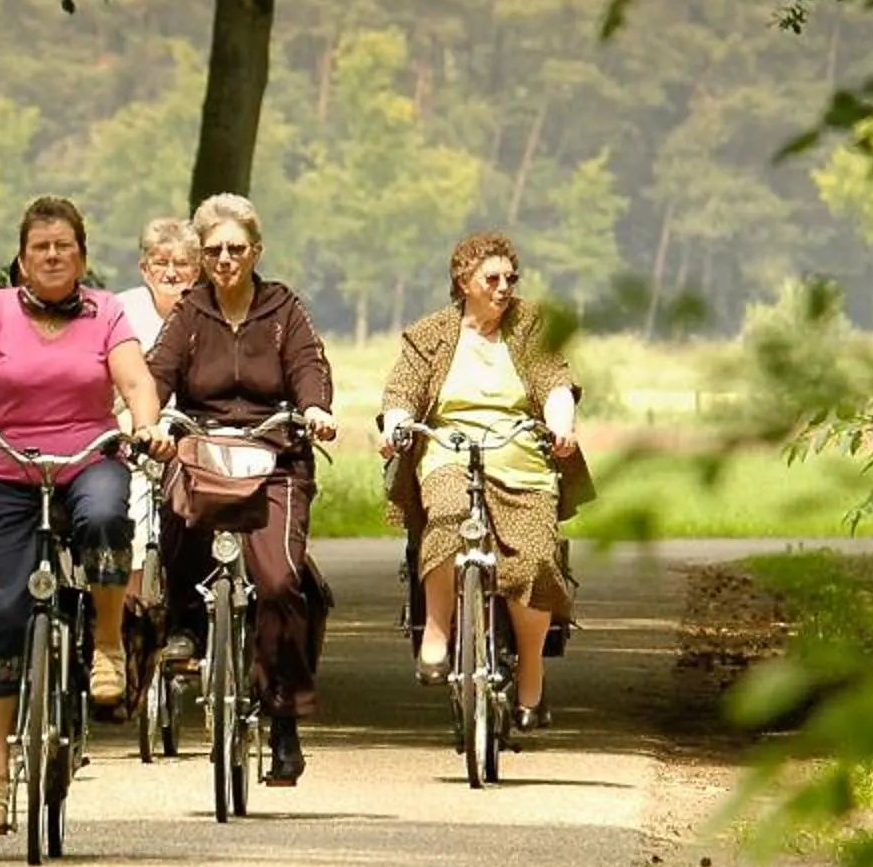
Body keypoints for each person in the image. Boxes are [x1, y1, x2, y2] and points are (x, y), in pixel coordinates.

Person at [0, 195, 162, 836]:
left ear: (81, 257)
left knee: (108, 516)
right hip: (10, 469)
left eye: (64, 246)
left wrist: (146, 427)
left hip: (89, 458)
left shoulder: (106, 311)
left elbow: (137, 384)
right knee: (2, 616)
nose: (52, 256)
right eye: (40, 248)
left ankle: (107, 643)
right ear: (22, 259)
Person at [143, 193, 338, 784]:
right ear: (201, 257)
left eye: (235, 248)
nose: (224, 259)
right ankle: (185, 622)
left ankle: (283, 719)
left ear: (256, 251)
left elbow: (309, 366)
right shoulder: (190, 312)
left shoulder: (283, 309)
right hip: (202, 450)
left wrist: (315, 408)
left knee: (279, 580)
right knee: (174, 509)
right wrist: (147, 421)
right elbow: (156, 372)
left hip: (274, 453)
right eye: (213, 251)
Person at [378, 231, 594, 731]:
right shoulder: (430, 333)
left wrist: (561, 424)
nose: (504, 288)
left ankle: (532, 673)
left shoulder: (529, 325)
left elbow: (555, 382)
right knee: (447, 520)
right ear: (463, 281)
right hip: (449, 450)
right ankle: (436, 632)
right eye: (492, 278)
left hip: (520, 455)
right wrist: (396, 427)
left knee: (533, 560)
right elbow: (402, 391)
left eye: (510, 279)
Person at [113, 217, 199, 351]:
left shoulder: (209, 315)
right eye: (161, 263)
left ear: (196, 272)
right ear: (144, 269)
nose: (171, 274)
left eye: (181, 264)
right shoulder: (120, 311)